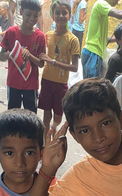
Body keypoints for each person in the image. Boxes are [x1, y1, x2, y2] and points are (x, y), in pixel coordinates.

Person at [38, 0, 80, 130]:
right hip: (46, 80)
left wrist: (52, 61)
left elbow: (75, 67)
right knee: (46, 111)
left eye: (64, 13)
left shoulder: (73, 39)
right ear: (53, 16)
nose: (61, 16)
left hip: (61, 83)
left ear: (70, 16)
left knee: (58, 114)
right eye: (57, 13)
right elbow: (41, 56)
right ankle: (46, 136)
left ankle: (53, 129)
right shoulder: (48, 36)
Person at [0, 0, 46, 112]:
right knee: (12, 115)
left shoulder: (40, 37)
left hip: (31, 85)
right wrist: (12, 54)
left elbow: (41, 64)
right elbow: (1, 56)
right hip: (13, 82)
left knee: (30, 117)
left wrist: (29, 55)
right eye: (28, 14)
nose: (32, 19)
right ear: (21, 12)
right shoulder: (11, 32)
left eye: (36, 15)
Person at [81, 0, 122, 79]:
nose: (117, 3)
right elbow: (120, 14)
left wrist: (118, 38)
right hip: (93, 52)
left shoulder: (103, 13)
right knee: (91, 85)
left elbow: (105, 39)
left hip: (95, 52)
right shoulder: (100, 4)